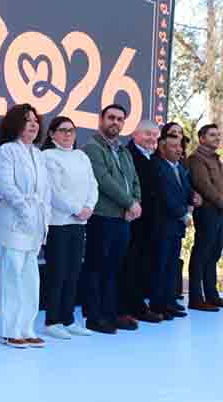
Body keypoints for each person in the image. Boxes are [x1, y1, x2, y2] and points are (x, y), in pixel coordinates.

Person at [0, 104, 51, 349]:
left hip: (35, 222)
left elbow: (46, 191)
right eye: (27, 120)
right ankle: (10, 330)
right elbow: (7, 187)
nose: (33, 124)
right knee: (11, 275)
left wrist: (43, 220)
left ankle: (27, 328)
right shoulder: (7, 151)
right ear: (16, 124)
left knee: (30, 278)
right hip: (13, 221)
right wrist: (24, 210)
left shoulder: (38, 154)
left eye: (35, 120)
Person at [82, 104, 141, 334]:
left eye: (120, 119)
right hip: (102, 217)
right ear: (101, 119)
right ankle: (94, 318)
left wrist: (135, 203)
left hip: (122, 218)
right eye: (111, 117)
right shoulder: (92, 148)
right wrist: (129, 203)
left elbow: (134, 180)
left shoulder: (124, 151)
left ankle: (111, 314)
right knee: (97, 268)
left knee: (114, 269)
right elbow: (104, 180)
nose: (115, 122)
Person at [40, 116, 97, 340]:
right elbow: (54, 191)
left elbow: (93, 184)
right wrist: (76, 209)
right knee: (58, 272)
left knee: (73, 272)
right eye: (62, 130)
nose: (67, 134)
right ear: (52, 134)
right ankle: (52, 320)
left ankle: (68, 319)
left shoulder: (81, 156)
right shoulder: (47, 156)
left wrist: (89, 207)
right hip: (58, 222)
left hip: (79, 223)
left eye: (71, 130)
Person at [150, 128, 199, 319]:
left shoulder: (179, 167)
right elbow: (165, 196)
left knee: (172, 266)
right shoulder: (157, 166)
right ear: (162, 148)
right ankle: (158, 305)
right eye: (174, 146)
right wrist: (183, 214)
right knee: (160, 266)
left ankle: (169, 302)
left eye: (180, 146)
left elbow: (186, 190)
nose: (179, 150)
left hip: (176, 228)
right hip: (163, 225)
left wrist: (193, 197)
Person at [120, 120, 163, 324]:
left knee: (142, 266)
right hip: (133, 220)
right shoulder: (128, 154)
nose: (152, 138)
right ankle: (129, 308)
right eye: (147, 134)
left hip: (150, 222)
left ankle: (138, 306)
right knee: (129, 266)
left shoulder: (153, 157)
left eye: (155, 135)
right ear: (134, 134)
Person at [186, 123, 223, 311]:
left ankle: (212, 295)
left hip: (219, 212)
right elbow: (204, 186)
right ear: (201, 138)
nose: (217, 138)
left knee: (214, 254)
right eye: (212, 135)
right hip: (208, 211)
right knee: (201, 253)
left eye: (218, 135)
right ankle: (196, 298)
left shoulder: (216, 159)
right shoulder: (196, 159)